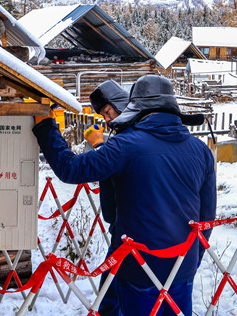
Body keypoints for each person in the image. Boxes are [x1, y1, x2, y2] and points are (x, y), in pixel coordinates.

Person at [33, 75, 216, 316]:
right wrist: (193, 258)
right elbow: (207, 216)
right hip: (182, 263)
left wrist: (45, 125)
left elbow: (71, 168)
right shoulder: (201, 150)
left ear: (135, 107)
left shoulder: (124, 145)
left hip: (137, 264)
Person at [85, 80, 129, 316]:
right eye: (104, 114)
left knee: (113, 287)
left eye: (108, 112)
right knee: (113, 283)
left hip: (128, 225)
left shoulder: (130, 138)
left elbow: (109, 169)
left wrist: (100, 147)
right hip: (119, 221)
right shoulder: (123, 135)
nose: (107, 119)